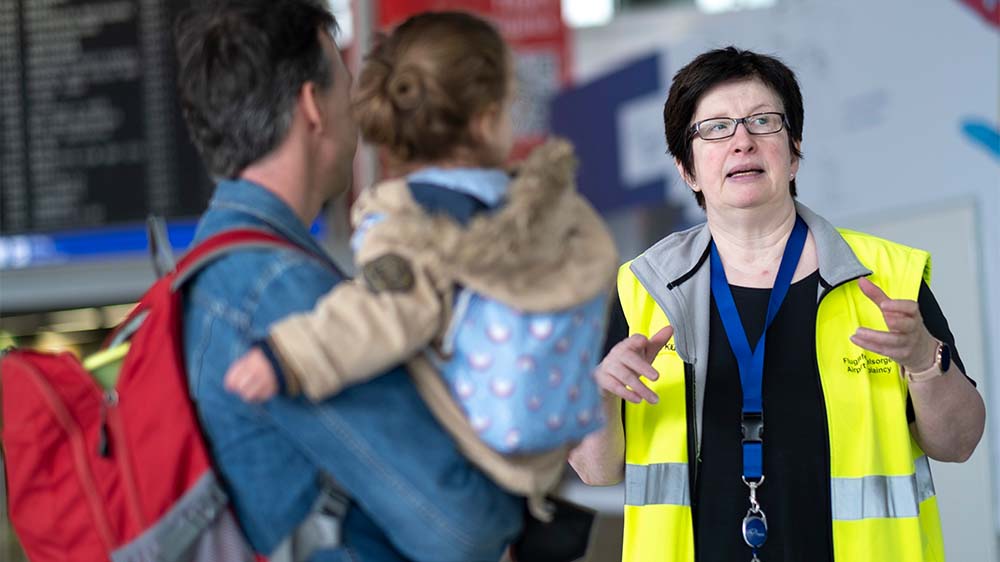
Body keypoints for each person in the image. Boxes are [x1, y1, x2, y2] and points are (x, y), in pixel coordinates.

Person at [568, 46, 986, 562]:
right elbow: (596, 468)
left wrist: (926, 362)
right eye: (716, 128)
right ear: (687, 169)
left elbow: (959, 442)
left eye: (762, 121)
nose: (742, 141)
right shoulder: (643, 286)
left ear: (794, 151)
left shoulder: (885, 276)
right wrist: (600, 395)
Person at [221, 10, 617, 519]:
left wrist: (285, 358)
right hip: (542, 458)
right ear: (487, 119)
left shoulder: (415, 228)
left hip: (460, 459)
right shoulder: (559, 218)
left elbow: (377, 313)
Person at [176, 2, 524, 561]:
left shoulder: (213, 271)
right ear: (312, 106)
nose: (358, 113)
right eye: (344, 86)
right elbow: (459, 526)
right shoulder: (276, 290)